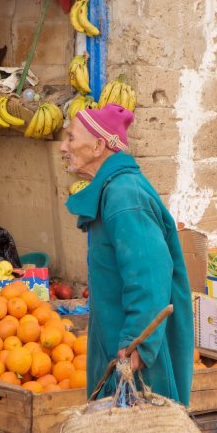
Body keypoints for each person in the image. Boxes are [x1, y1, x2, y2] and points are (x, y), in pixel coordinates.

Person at [62, 103, 194, 406]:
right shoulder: (114, 189)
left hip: (134, 355)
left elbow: (148, 276)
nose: (62, 147)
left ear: (98, 145)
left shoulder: (125, 196)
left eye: (70, 138)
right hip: (116, 338)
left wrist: (137, 345)